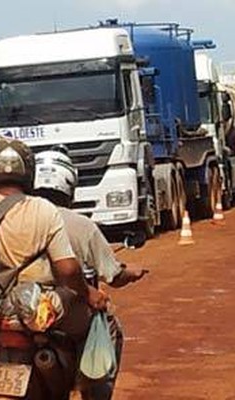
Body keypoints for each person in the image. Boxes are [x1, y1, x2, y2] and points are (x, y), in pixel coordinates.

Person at [0, 140, 108, 385]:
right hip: (37, 309)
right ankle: (88, 387)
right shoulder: (42, 209)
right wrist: (87, 293)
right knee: (99, 320)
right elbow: (68, 269)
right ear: (29, 173)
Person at [32, 146, 148, 400]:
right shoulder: (80, 225)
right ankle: (95, 393)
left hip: (19, 307)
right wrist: (133, 272)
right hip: (59, 310)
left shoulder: (18, 220)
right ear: (68, 184)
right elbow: (114, 276)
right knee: (110, 325)